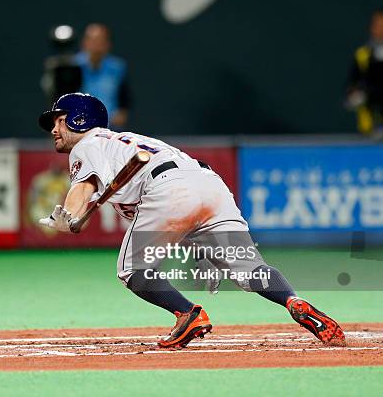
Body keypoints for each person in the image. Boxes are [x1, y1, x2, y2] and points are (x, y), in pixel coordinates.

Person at [37, 93, 345, 348]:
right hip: (207, 183)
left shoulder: (88, 143)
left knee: (132, 270)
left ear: (80, 119)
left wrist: (71, 215)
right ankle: (292, 300)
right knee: (249, 269)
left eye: (59, 120)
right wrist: (202, 250)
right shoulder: (122, 141)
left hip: (169, 187)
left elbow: (84, 186)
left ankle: (187, 313)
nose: (53, 129)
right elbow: (183, 211)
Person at [75, 24, 131, 130]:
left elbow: (125, 97)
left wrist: (121, 114)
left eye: (100, 41)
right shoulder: (72, 66)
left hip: (111, 127)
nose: (96, 46)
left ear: (107, 44)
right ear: (84, 43)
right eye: (93, 41)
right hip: (79, 126)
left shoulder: (118, 67)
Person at [346, 8, 383, 136]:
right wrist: (354, 95)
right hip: (369, 129)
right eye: (377, 25)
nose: (380, 29)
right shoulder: (362, 55)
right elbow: (351, 86)